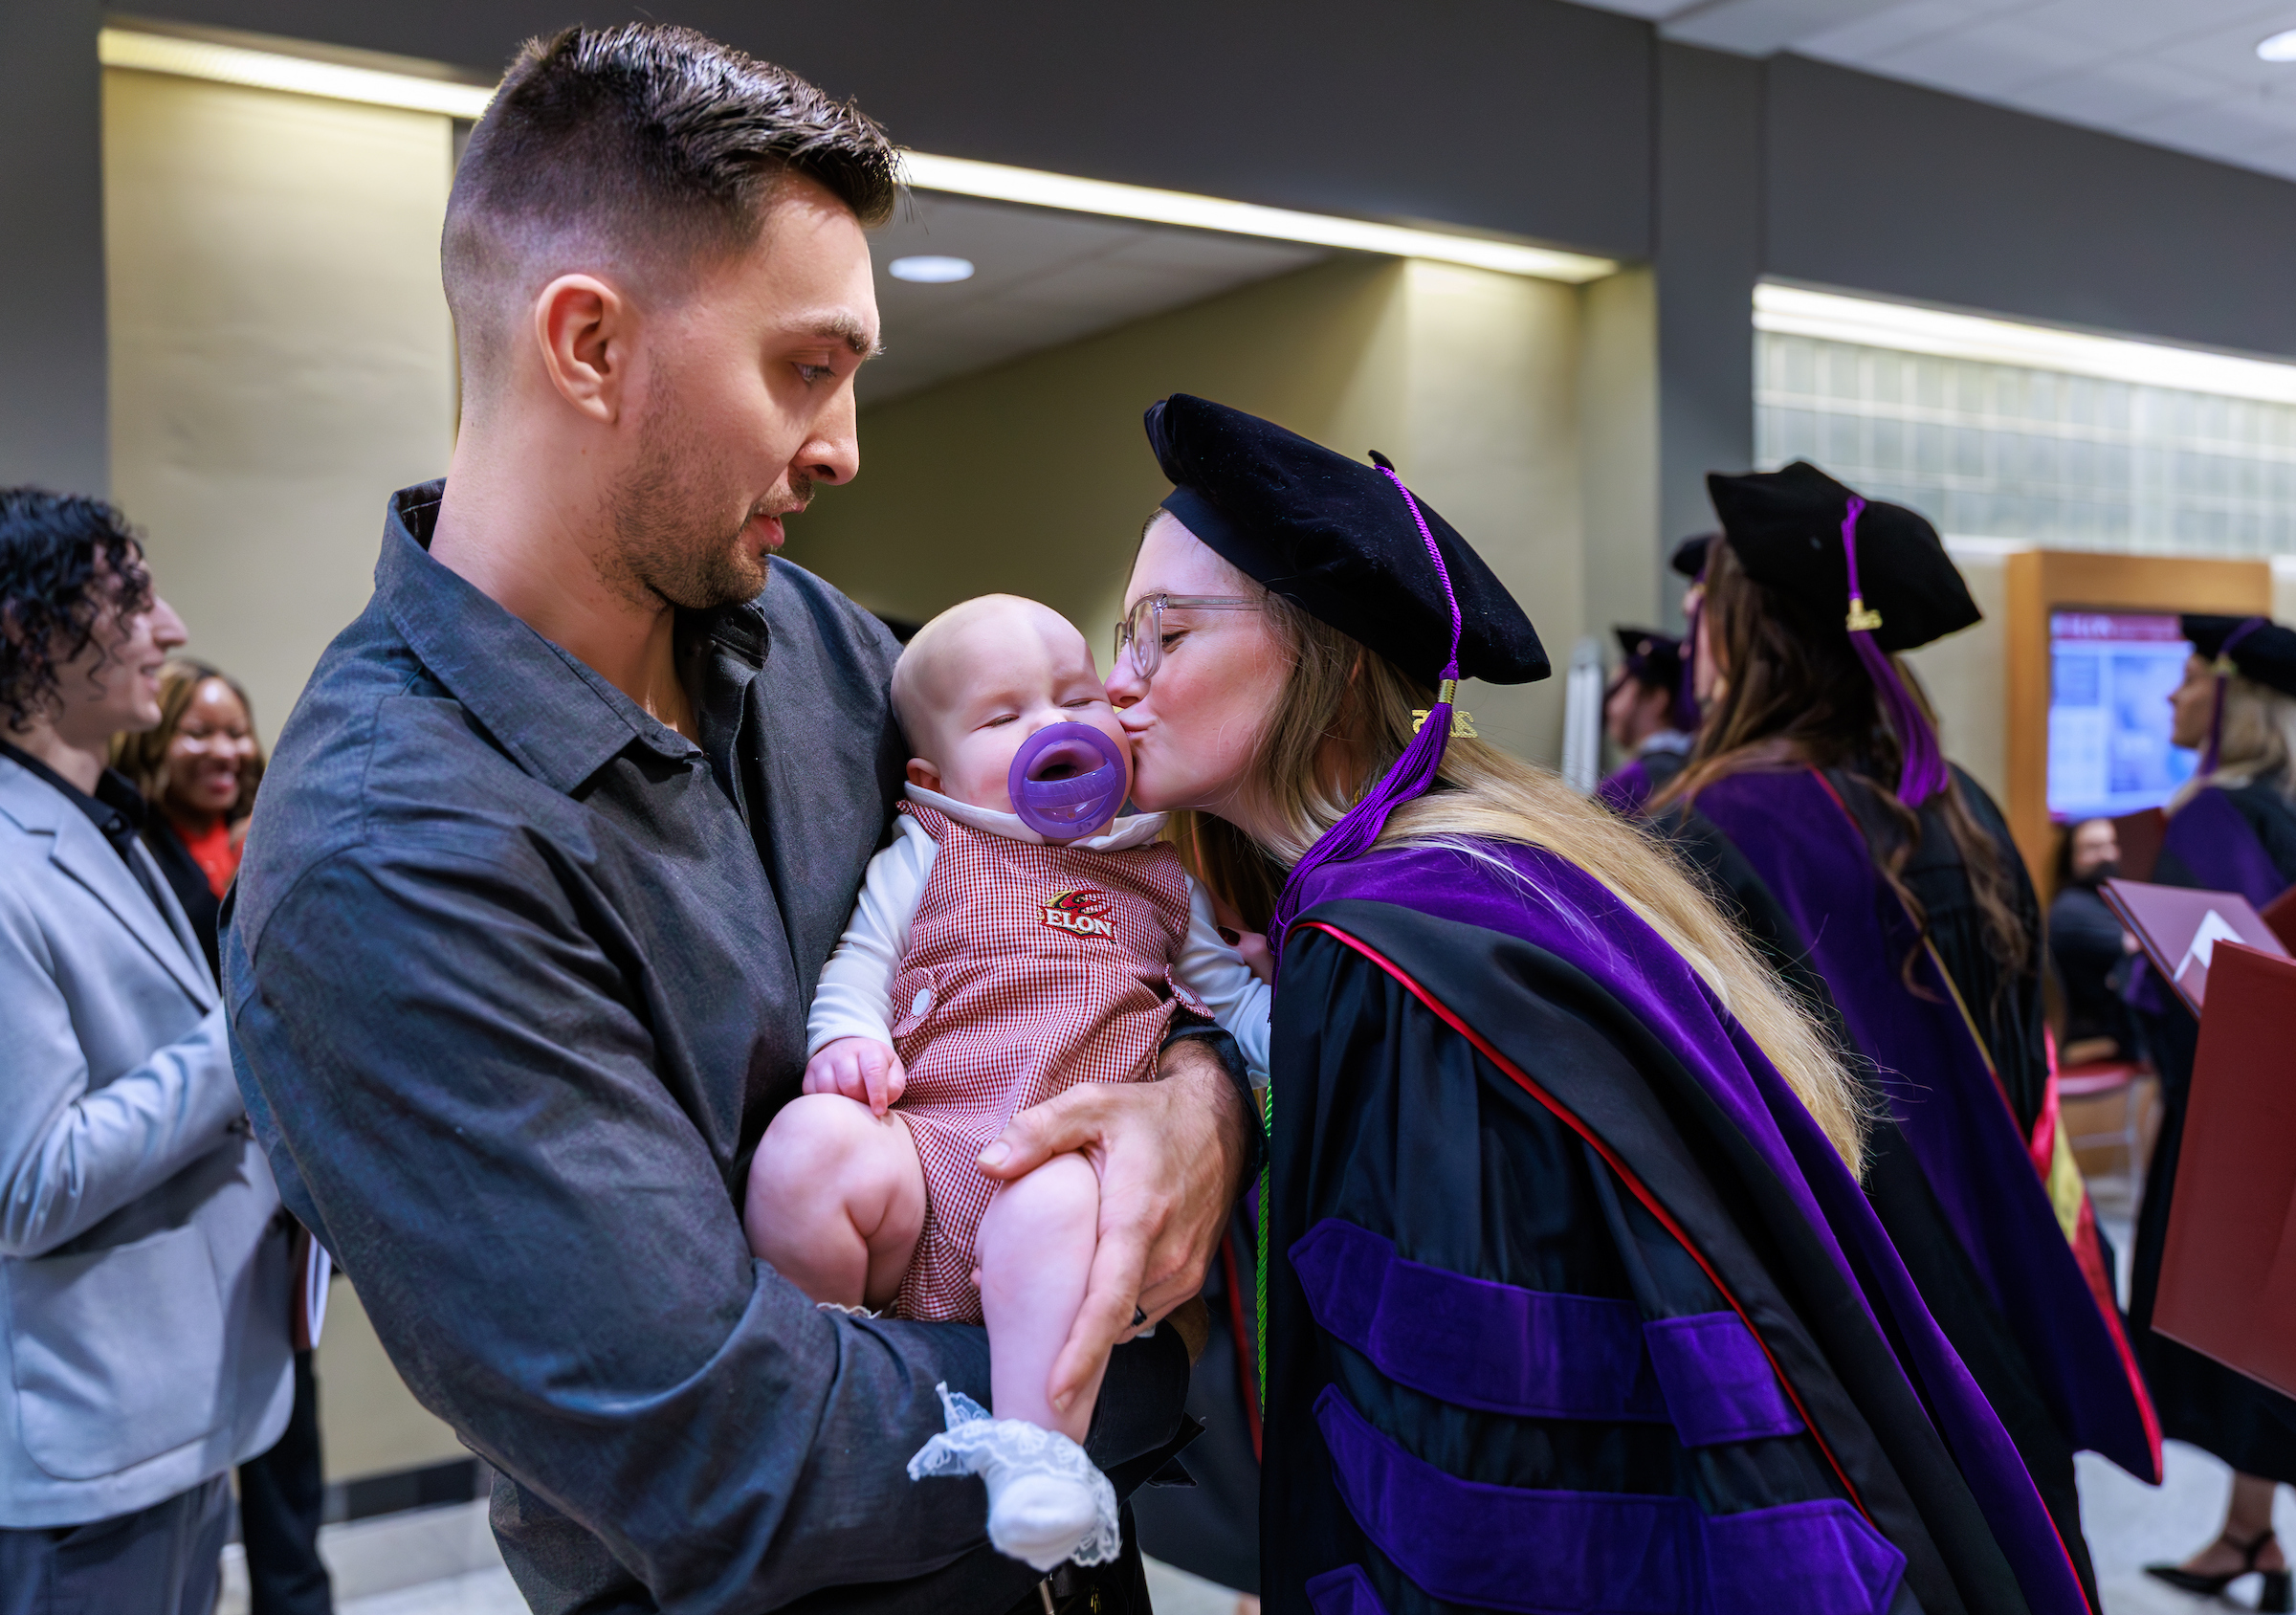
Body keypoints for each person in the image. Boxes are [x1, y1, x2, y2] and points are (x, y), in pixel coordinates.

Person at [224, 27, 1248, 1615]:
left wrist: (1201, 1097)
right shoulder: (386, 862)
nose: (843, 445)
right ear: (586, 344)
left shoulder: (835, 654)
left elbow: (1107, 930)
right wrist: (1143, 1353)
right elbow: (726, 1442)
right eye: (806, 366)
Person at [1115, 396, 2092, 1615]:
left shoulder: (1394, 955)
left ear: (1330, 654)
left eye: (1165, 631)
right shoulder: (1495, 869)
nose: (1117, 683)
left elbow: (1483, 1462)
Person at [1645, 462, 2159, 1608]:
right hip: (2004, 1286)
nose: (1688, 624)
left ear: (1745, 628)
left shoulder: (1711, 826)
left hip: (1862, 1332)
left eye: (1707, 603)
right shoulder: (1958, 799)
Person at [746, 594, 1269, 1571]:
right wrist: (848, 1040)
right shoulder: (933, 849)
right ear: (931, 774)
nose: (1056, 725)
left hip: (1052, 1176)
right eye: (1005, 715)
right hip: (926, 1150)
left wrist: (1284, 1018)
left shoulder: (1157, 874)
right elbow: (861, 960)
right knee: (808, 1146)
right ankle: (815, 1365)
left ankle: (1036, 1454)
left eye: (1077, 695)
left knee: (1063, 1200)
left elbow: (1228, 1000)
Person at [0, 489, 295, 1613]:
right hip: (89, 1438)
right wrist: (239, 1028)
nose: (168, 628)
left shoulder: (99, 813)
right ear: (30, 631)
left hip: (173, 1410)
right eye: (130, 598)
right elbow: (30, 1183)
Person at [111, 659, 331, 1615]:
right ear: (154, 743)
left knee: (290, 1444)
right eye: (198, 732)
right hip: (177, 1186)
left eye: (236, 731)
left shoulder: (277, 844)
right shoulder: (124, 858)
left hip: (275, 1198)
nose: (227, 751)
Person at [2130, 614, 2296, 1611]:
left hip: (2235, 1122)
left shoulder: (2207, 820)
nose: (2172, 697)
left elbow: (2202, 993)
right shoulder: (2286, 809)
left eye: (2189, 677)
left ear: (2233, 698)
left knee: (2244, 1333)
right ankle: (2250, 1533)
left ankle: (2249, 1534)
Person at [2047, 818, 2137, 1064]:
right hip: (2095, 1039)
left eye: (2110, 844)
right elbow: (2141, 946)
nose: (2106, 855)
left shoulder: (2112, 900)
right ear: (2070, 858)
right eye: (2093, 848)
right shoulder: (2069, 909)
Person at [1593, 626, 1694, 812]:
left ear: (1656, 698)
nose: (1610, 706)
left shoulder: (1629, 784)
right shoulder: (1700, 772)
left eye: (1618, 689)